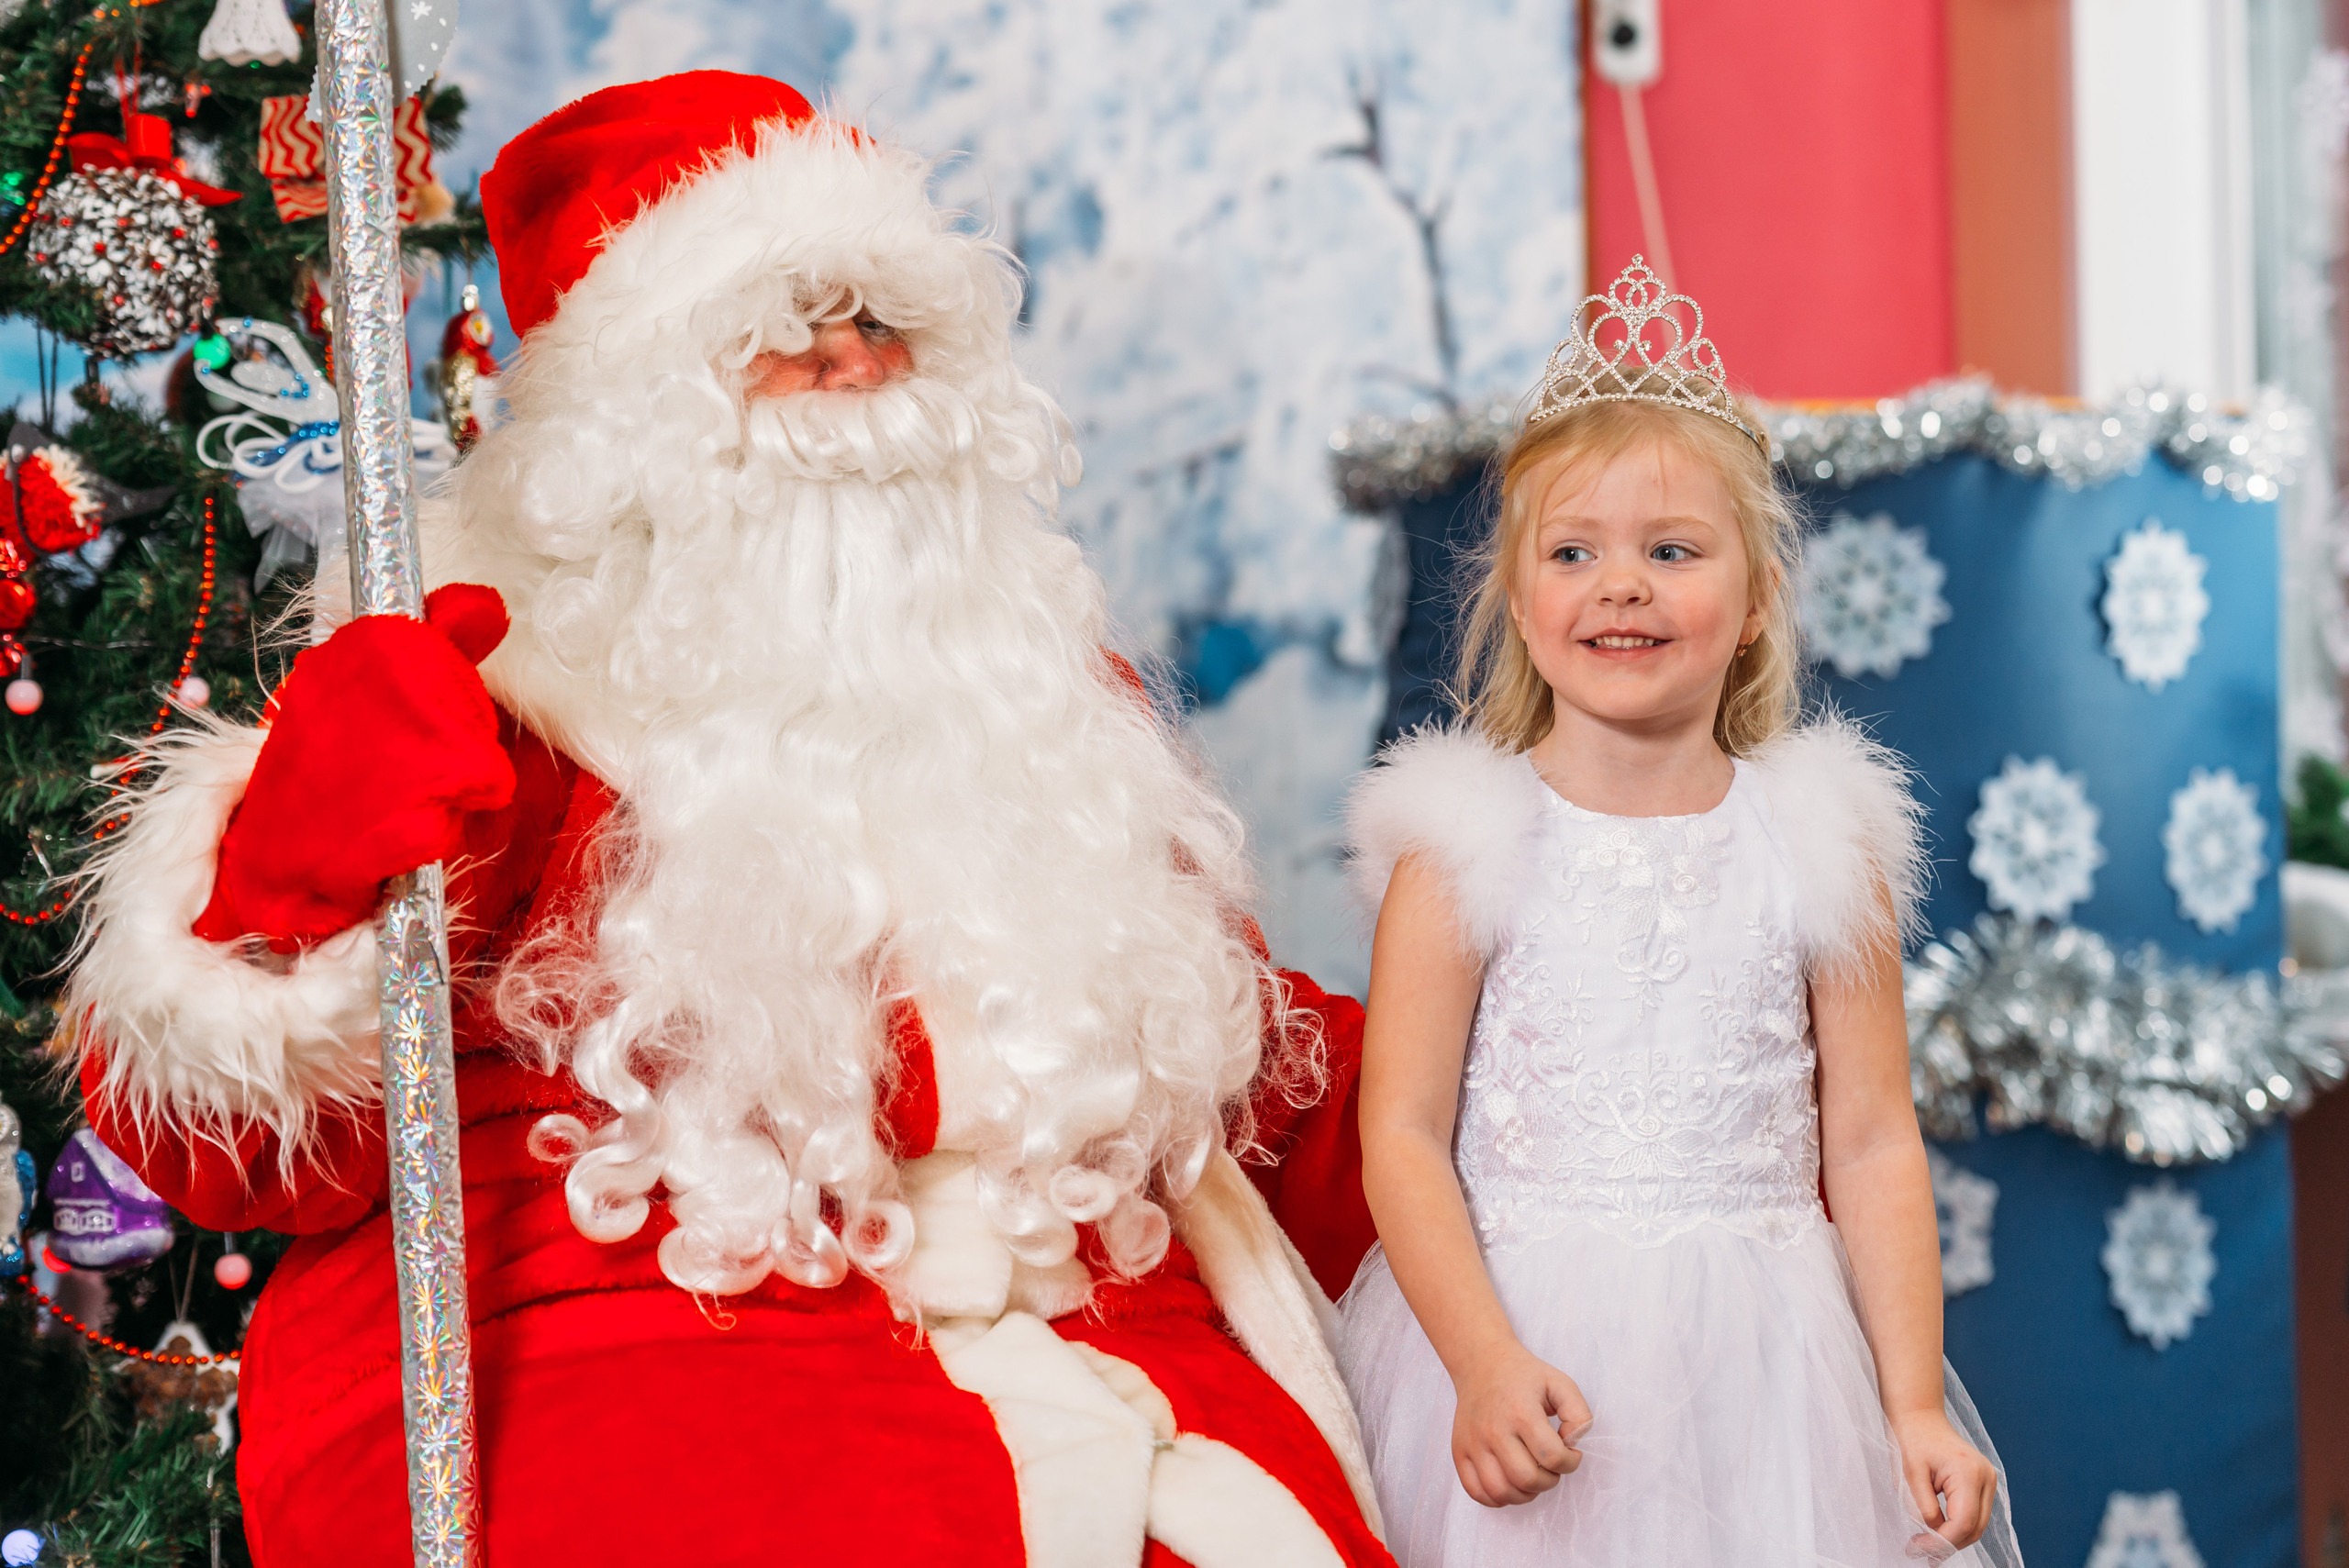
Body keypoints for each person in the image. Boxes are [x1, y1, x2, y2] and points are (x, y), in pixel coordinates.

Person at [61, 72, 1389, 1568]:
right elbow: (242, 1155)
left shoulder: (1036, 699)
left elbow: (1258, 1084)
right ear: (628, 424)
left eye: (883, 321)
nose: (850, 367)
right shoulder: (504, 691)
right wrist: (303, 863)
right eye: (779, 330)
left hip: (1108, 1337)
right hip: (643, 1337)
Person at [1333, 258, 2023, 1568]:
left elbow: (1873, 1144)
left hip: (1769, 1373)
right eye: (1575, 552)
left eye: (1672, 550)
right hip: (1517, 1339)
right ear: (1522, 605)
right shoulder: (1466, 844)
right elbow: (1404, 1132)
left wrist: (1913, 1400)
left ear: (1756, 599)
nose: (1622, 585)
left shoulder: (1821, 846)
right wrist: (1479, 1358)